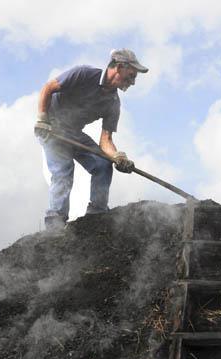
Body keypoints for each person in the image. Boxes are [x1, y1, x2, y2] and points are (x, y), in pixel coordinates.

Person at [33, 49, 148, 230]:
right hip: (52, 128)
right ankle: (55, 221)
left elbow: (106, 140)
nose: (132, 82)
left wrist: (118, 157)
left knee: (103, 164)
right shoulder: (84, 74)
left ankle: (96, 216)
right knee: (63, 170)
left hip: (74, 132)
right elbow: (48, 88)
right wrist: (42, 119)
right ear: (119, 67)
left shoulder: (113, 103)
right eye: (131, 76)